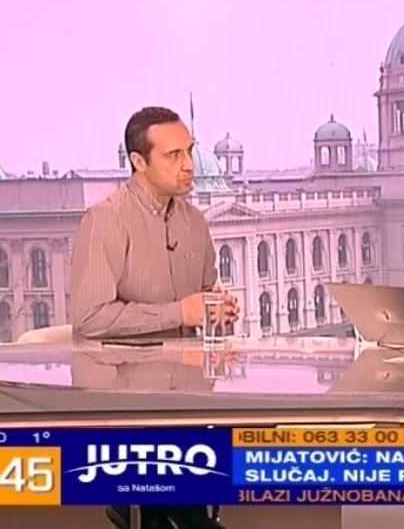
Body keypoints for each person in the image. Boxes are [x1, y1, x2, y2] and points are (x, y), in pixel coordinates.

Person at [71, 106, 238, 529]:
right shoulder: (106, 220)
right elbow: (90, 319)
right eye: (173, 155)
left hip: (190, 397)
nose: (188, 165)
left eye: (190, 151)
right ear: (138, 162)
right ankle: (151, 510)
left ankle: (175, 514)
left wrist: (219, 310)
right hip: (129, 400)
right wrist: (179, 311)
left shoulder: (195, 222)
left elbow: (206, 295)